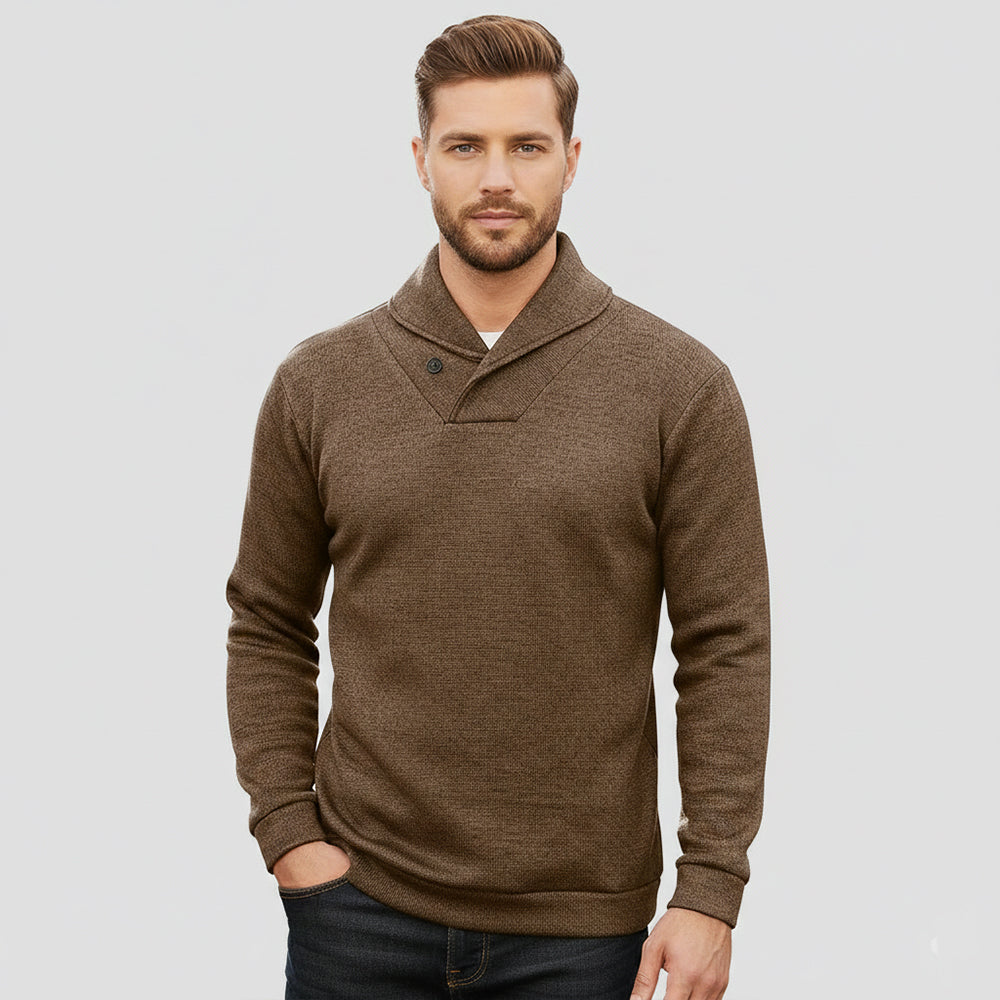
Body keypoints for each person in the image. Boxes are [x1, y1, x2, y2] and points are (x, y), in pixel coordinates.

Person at [226, 14, 770, 1000]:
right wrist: (288, 834)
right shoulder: (321, 383)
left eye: (525, 146)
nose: (495, 178)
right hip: (358, 913)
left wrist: (710, 889)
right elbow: (267, 620)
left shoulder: (678, 386)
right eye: (464, 146)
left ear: (571, 159)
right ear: (419, 161)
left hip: (581, 934)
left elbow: (725, 645)